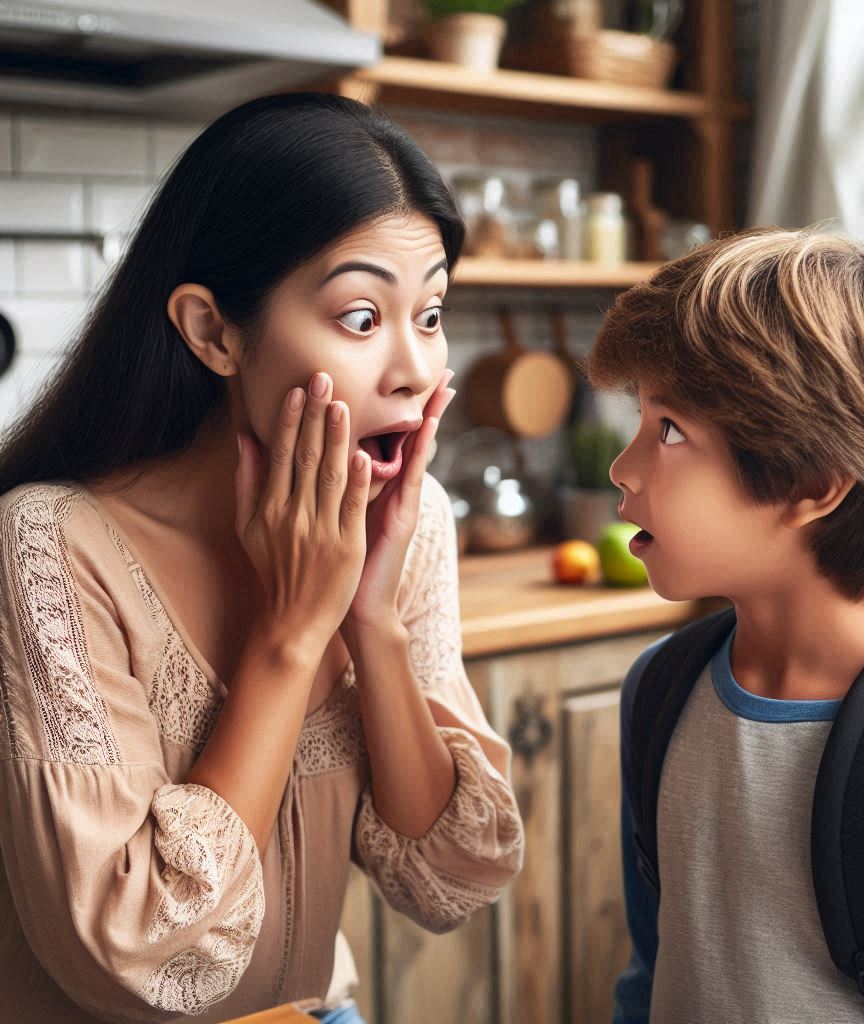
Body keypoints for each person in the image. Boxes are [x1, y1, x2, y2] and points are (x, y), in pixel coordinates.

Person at [0, 93, 524, 1023]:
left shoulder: (413, 523)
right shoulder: (48, 546)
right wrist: (290, 637)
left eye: (433, 312)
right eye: (362, 318)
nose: (415, 369)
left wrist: (370, 618)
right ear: (214, 332)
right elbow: (139, 951)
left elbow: (450, 877)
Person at [586, 227, 864, 1023]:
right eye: (640, 420)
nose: (624, 467)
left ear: (814, 482)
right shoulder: (660, 689)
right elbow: (654, 970)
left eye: (670, 430)